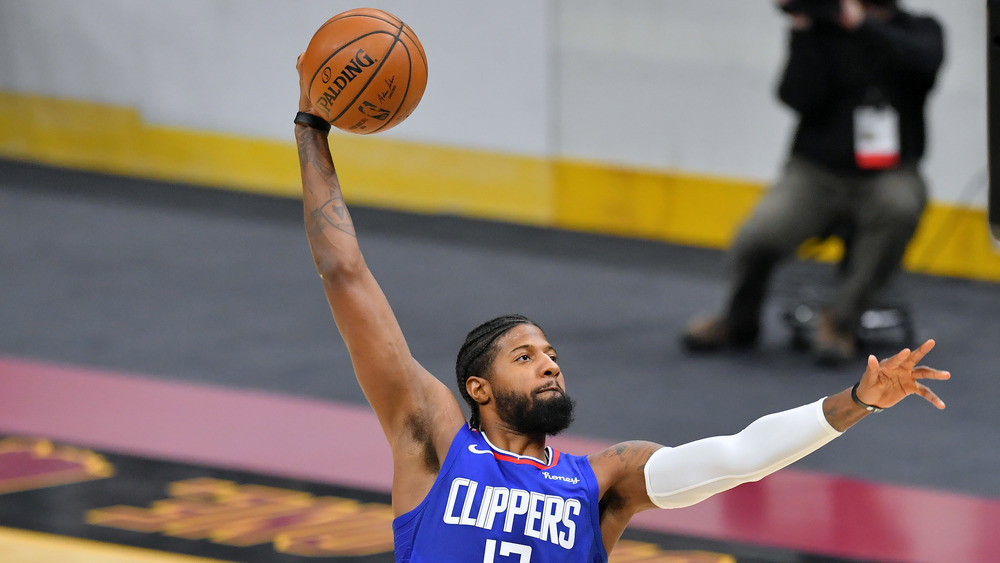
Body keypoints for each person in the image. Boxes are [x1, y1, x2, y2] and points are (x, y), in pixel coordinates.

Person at [293, 53, 950, 562]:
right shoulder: (434, 440)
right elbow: (346, 275)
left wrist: (855, 400)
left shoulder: (604, 477)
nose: (550, 365)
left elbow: (740, 456)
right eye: (525, 356)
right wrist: (310, 127)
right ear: (478, 387)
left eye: (551, 353)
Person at [681, 0, 945, 364]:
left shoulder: (921, 29)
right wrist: (803, 31)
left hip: (889, 173)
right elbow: (796, 96)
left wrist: (861, 26)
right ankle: (738, 319)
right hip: (816, 173)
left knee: (899, 207)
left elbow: (924, 62)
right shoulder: (822, 32)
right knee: (760, 234)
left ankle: (840, 322)